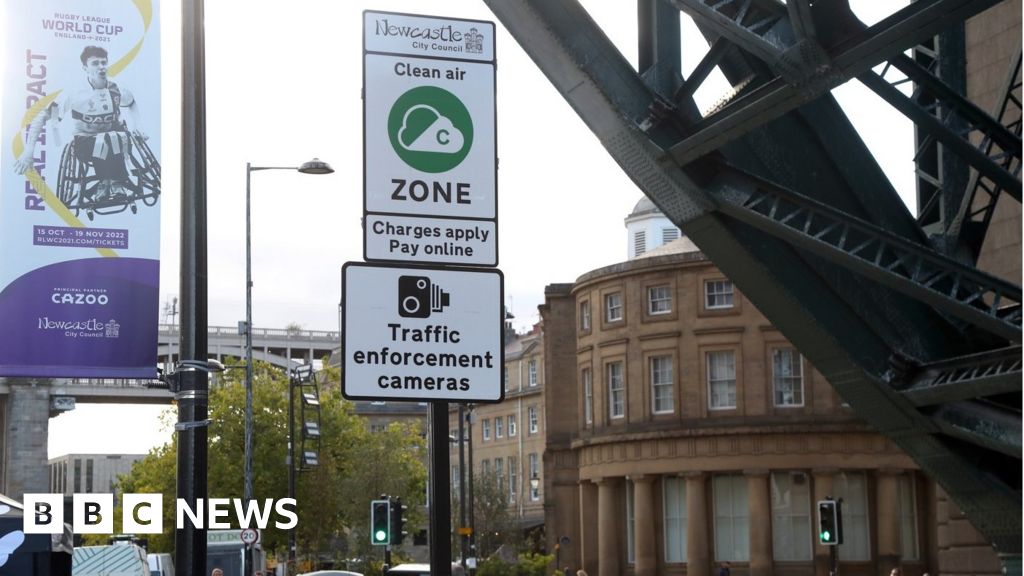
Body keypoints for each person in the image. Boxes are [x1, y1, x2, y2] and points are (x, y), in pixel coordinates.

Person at [14, 45, 149, 201]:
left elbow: (131, 103)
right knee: (103, 140)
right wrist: (29, 151)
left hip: (117, 139)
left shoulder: (117, 88)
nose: (101, 67)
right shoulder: (75, 93)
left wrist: (138, 125)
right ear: (85, 68)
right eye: (95, 63)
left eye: (103, 62)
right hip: (86, 142)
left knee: (115, 137)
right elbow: (41, 116)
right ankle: (107, 182)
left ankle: (115, 182)